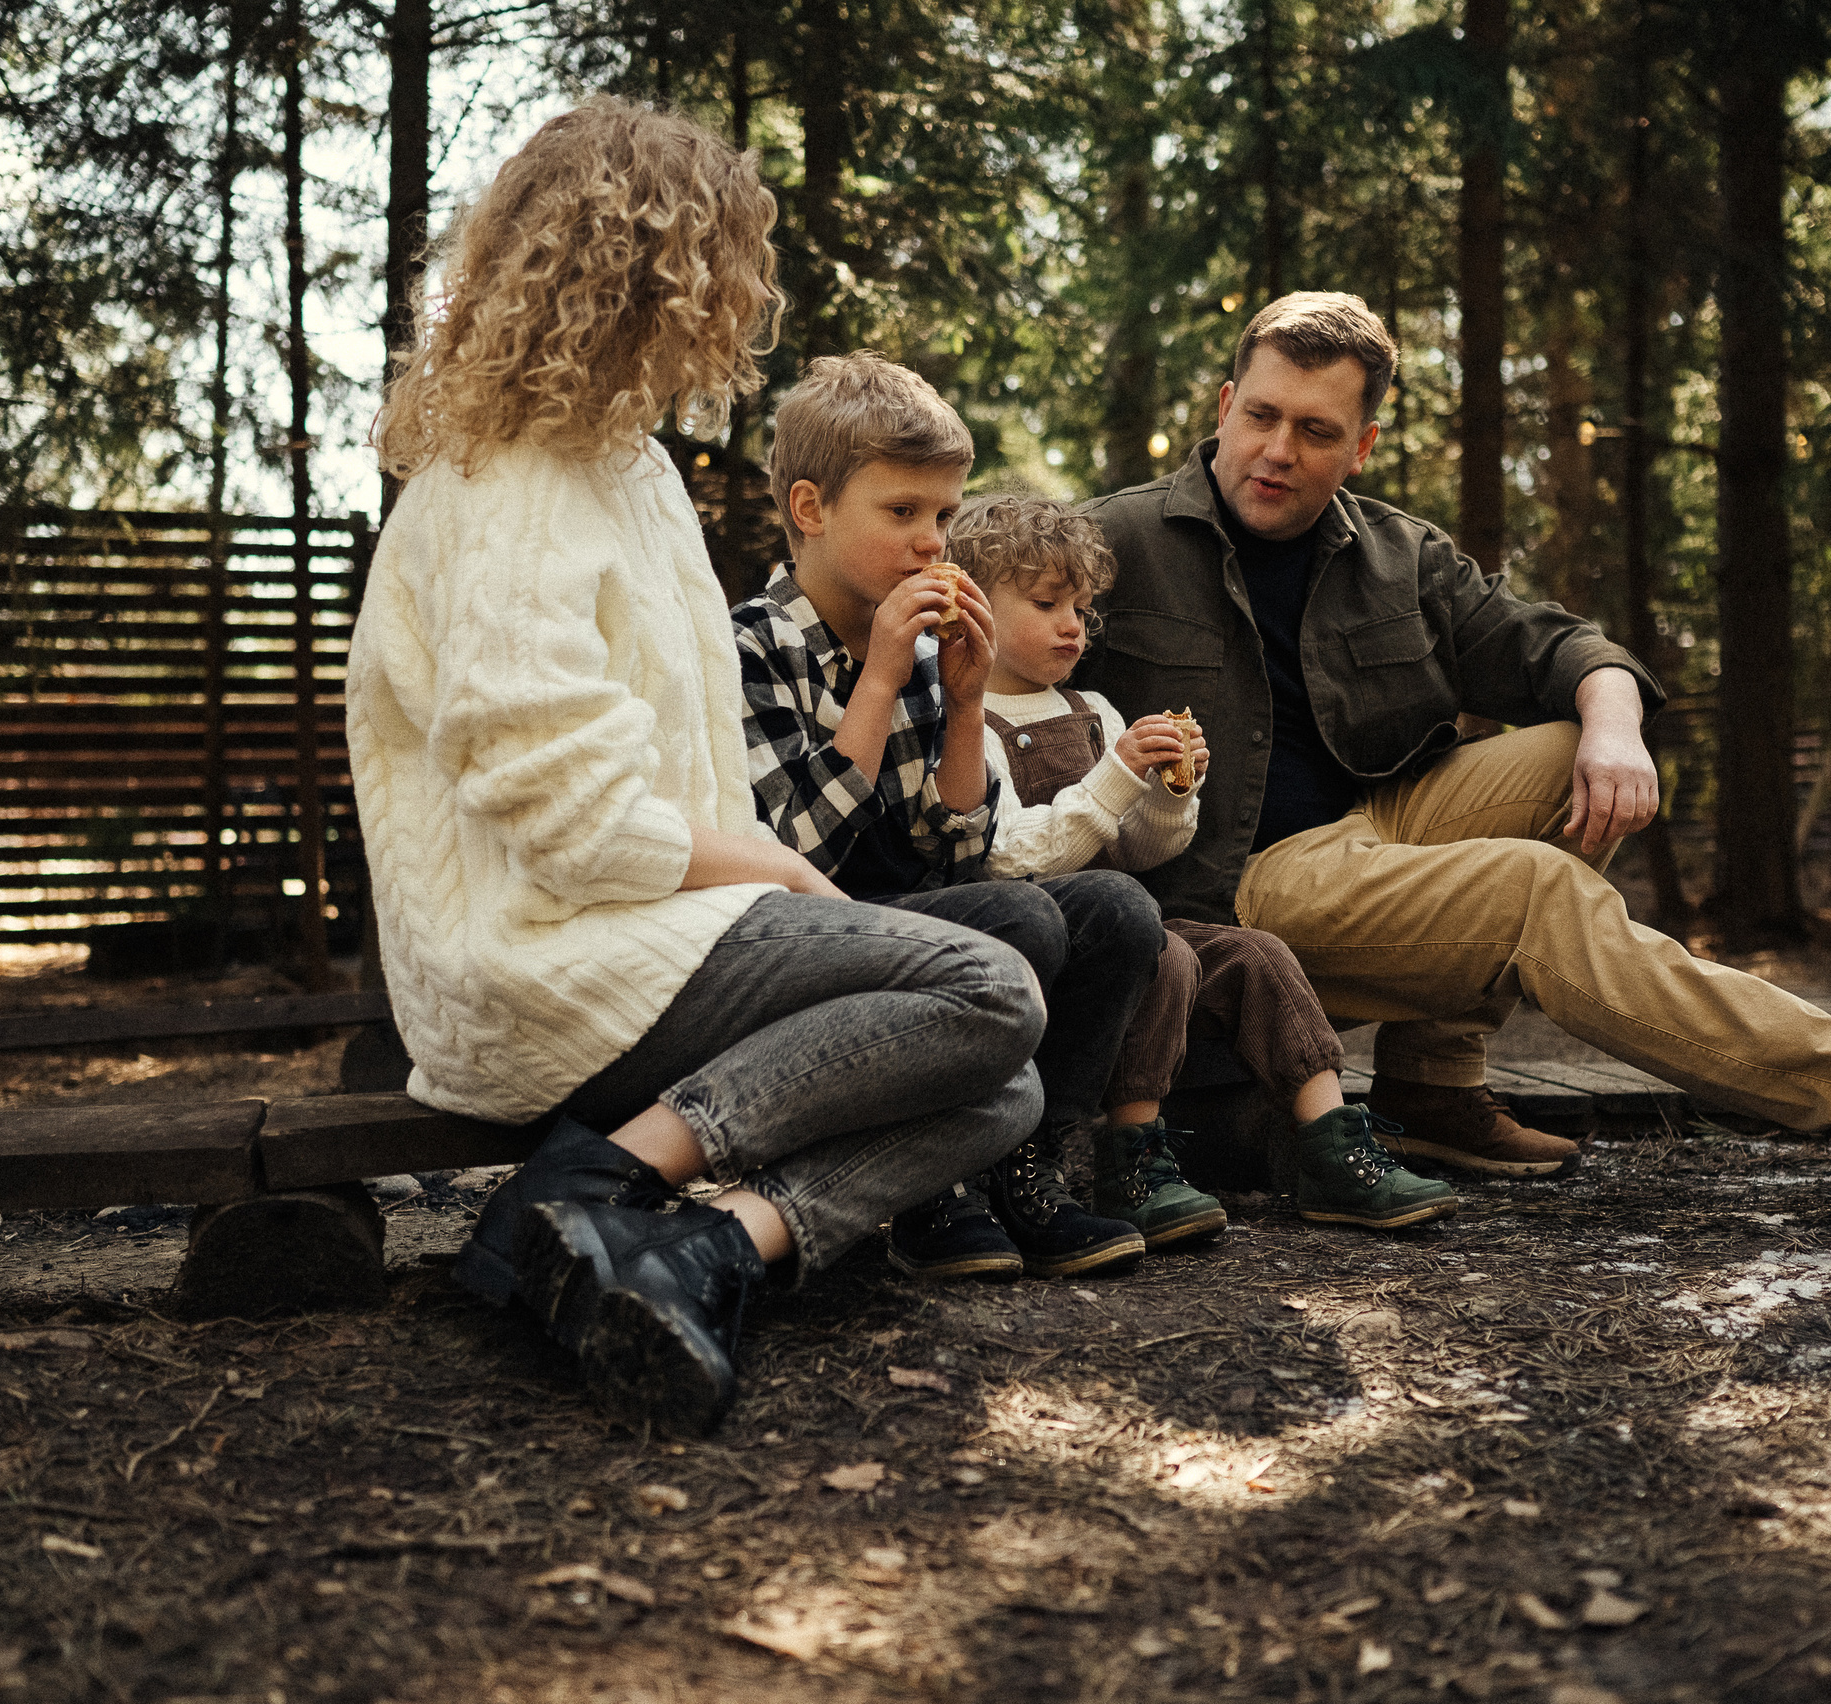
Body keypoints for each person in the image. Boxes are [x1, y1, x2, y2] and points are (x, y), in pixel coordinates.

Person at [1076, 291, 1831, 1211]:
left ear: (1360, 447)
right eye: (1260, 416)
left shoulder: (1397, 554)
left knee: (1568, 752)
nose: (1277, 450)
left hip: (1369, 831)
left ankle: (1435, 1087)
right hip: (1229, 896)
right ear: (1223, 408)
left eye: (1315, 431)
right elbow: (977, 591)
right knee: (1533, 889)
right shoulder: (1115, 544)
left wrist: (1616, 728)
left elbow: (1558, 646)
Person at [346, 100, 1047, 1435]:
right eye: (717, 270)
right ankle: (592, 1187)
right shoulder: (507, 495)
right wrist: (780, 867)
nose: (733, 305)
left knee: (1000, 1083)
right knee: (991, 987)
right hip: (541, 961)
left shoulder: (632, 469)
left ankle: (705, 1252)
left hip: (654, 935)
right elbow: (571, 825)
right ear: (641, 275)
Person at [730, 352, 1159, 1281]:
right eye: (903, 513)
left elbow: (960, 852)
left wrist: (963, 705)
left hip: (926, 925)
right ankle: (931, 1181)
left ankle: (1025, 1164)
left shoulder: (930, 655)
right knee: (1021, 917)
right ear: (810, 510)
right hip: (809, 940)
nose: (935, 544)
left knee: (1116, 910)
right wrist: (879, 680)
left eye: (945, 516)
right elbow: (792, 848)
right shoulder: (752, 647)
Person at [956, 492, 1460, 1238]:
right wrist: (1117, 777)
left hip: (1137, 918)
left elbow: (1143, 850)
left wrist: (1169, 791)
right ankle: (1129, 1160)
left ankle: (1333, 1147)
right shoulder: (969, 723)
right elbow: (1013, 859)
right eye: (1046, 603)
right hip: (1057, 953)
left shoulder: (1093, 708)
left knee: (1256, 954)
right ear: (977, 606)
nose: (1072, 625)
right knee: (1165, 956)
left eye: (1083, 608)